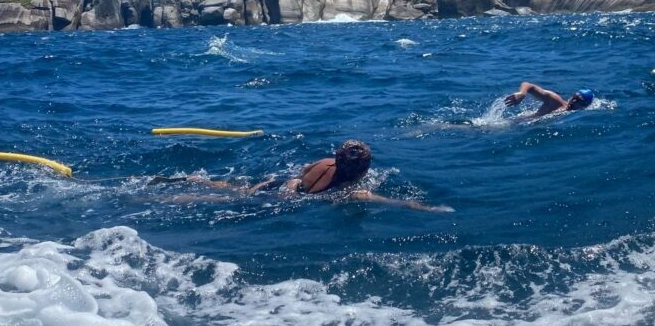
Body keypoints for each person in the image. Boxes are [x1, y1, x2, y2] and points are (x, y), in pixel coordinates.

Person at [172, 140, 450, 212]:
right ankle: (171, 197)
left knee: (235, 189)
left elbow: (303, 171)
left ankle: (196, 179)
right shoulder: (355, 191)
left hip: (279, 184)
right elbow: (399, 203)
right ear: (363, 170)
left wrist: (295, 183)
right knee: (216, 202)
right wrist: (428, 207)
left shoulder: (325, 162)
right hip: (285, 200)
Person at [504, 82, 594, 117]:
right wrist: (522, 93)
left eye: (578, 100)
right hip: (512, 125)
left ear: (585, 106)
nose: (573, 101)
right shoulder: (556, 101)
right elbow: (528, 85)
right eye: (574, 97)